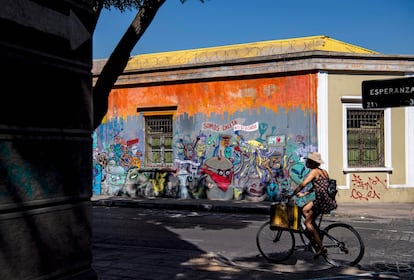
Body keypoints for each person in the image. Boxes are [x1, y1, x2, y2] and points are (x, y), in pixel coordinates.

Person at [289, 152, 337, 257]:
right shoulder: (324, 172)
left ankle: (321, 247)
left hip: (321, 201)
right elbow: (319, 186)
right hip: (326, 200)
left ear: (312, 162)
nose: (306, 162)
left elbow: (303, 184)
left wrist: (292, 194)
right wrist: (305, 193)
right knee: (304, 210)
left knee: (307, 223)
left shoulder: (314, 172)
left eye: (308, 161)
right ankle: (314, 231)